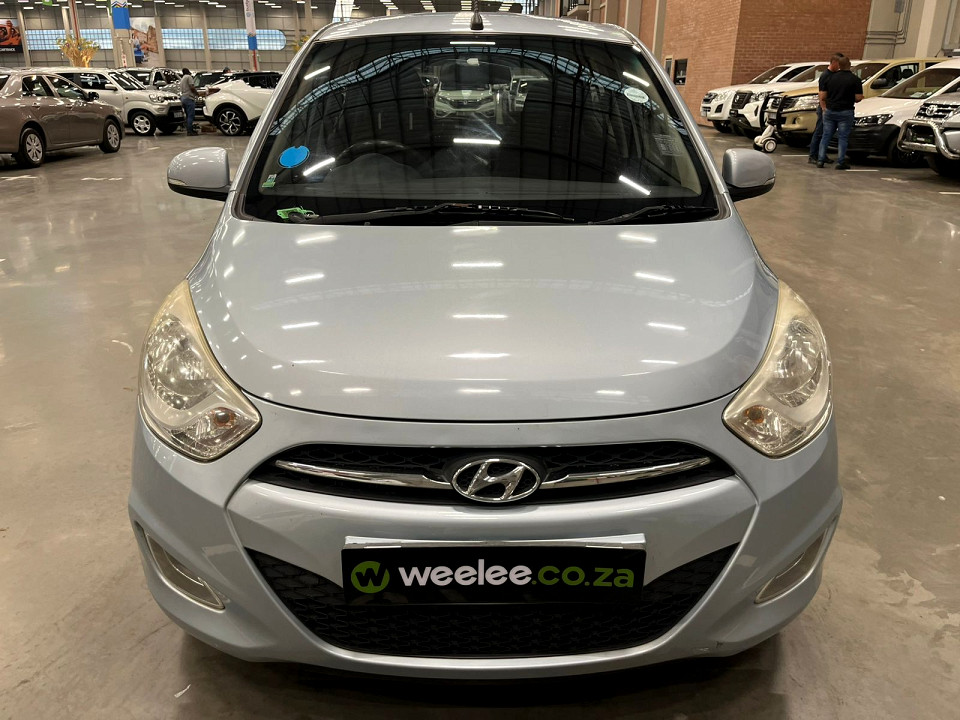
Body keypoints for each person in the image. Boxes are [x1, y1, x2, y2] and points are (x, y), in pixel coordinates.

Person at [817, 56, 864, 170]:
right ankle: (840, 162)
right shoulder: (855, 80)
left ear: (839, 65)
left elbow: (822, 96)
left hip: (830, 111)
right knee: (843, 137)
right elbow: (858, 97)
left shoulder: (830, 78)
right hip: (845, 111)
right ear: (849, 65)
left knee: (826, 135)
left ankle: (820, 159)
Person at [808, 53, 844, 164]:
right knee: (819, 132)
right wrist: (824, 109)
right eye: (839, 64)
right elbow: (821, 94)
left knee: (826, 133)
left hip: (831, 107)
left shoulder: (834, 75)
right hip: (825, 107)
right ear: (834, 62)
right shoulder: (825, 76)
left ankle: (822, 154)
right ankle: (813, 155)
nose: (840, 67)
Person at [179, 68, 199, 136]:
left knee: (187, 115)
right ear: (188, 72)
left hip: (183, 98)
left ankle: (189, 129)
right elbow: (192, 87)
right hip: (189, 98)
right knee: (191, 115)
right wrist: (197, 93)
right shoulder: (189, 77)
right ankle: (190, 131)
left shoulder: (182, 79)